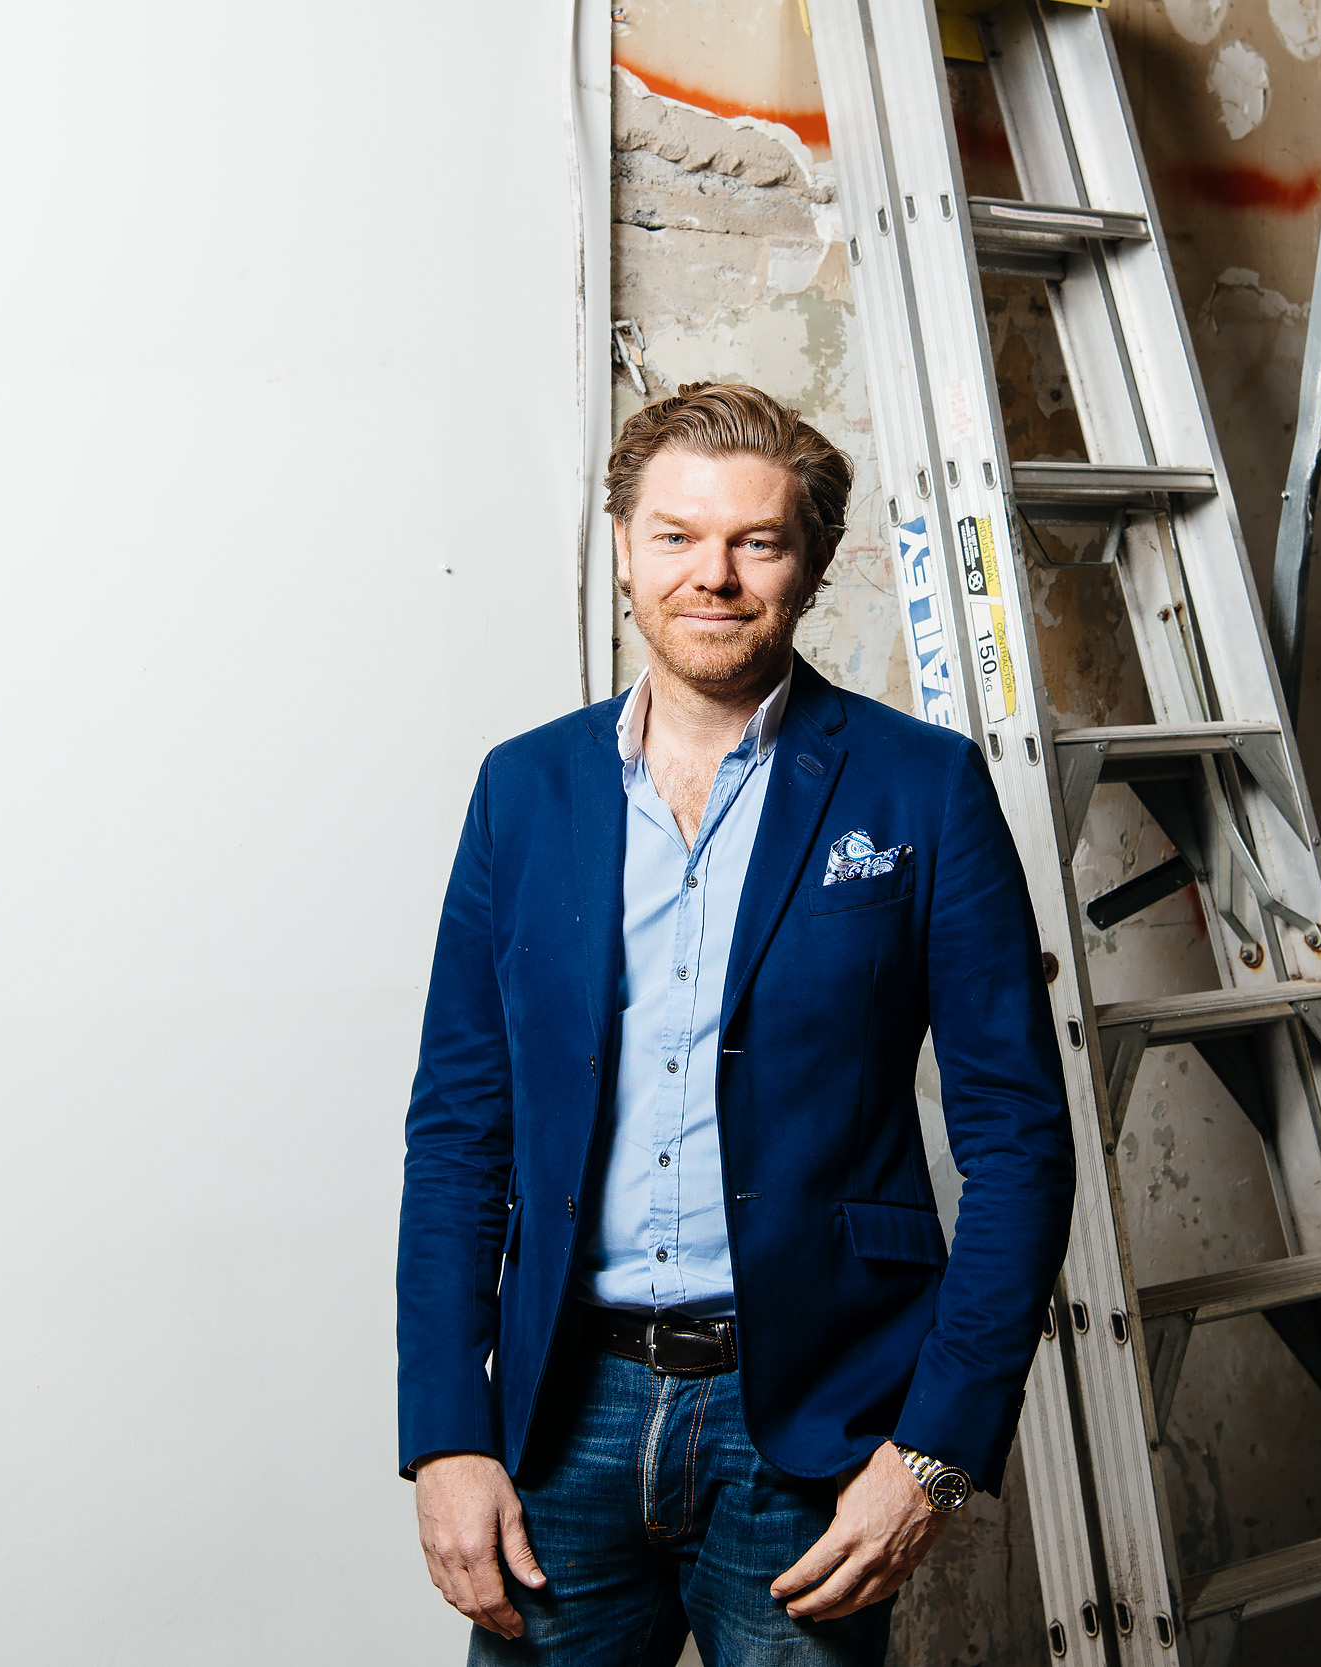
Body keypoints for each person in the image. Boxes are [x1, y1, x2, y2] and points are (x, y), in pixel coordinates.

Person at [397, 382, 1076, 1665]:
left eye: (756, 541)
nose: (712, 575)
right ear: (623, 549)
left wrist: (934, 1450)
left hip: (815, 1418)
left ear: (810, 563)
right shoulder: (524, 789)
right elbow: (458, 1135)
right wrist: (445, 1434)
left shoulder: (920, 787)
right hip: (563, 1416)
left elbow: (1020, 1140)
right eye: (675, 536)